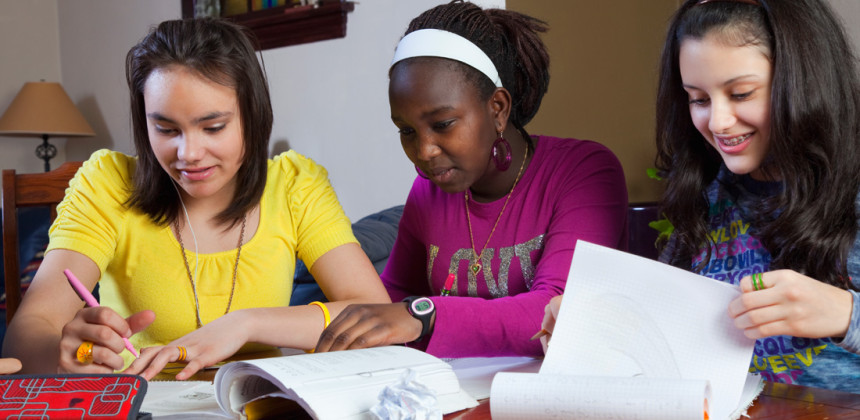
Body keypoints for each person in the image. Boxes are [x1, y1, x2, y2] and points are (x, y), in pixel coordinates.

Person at [2, 18, 390, 380]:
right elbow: (25, 337)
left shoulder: (295, 186)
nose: (188, 153)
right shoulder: (109, 183)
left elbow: (378, 314)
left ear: (252, 117)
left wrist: (247, 323)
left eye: (213, 126)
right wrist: (64, 353)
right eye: (166, 128)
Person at [314, 0, 628, 358]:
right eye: (406, 131)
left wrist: (424, 315)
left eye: (442, 124)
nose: (424, 150)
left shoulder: (584, 171)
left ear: (497, 109)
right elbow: (387, 301)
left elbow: (556, 314)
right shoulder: (428, 192)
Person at [655, 0, 860, 392]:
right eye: (698, 98)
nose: (717, 122)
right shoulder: (706, 186)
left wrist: (844, 313)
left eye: (742, 93)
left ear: (804, 81)